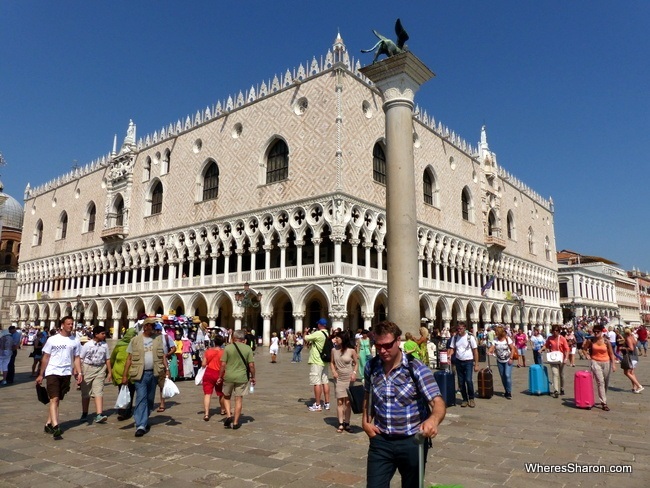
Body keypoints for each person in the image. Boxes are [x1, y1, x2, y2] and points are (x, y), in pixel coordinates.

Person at [362, 321, 446, 488]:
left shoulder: (416, 367)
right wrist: (365, 422)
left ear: (398, 340)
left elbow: (438, 402)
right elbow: (368, 395)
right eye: (378, 346)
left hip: (412, 441)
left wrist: (433, 420)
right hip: (381, 441)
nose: (382, 351)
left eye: (387, 345)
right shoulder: (371, 366)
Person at [35, 316, 83, 438]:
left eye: (72, 324)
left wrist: (79, 372)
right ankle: (56, 426)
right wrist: (41, 374)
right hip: (52, 371)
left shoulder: (75, 340)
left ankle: (48, 423)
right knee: (54, 398)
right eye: (68, 324)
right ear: (62, 325)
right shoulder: (52, 339)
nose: (71, 326)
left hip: (66, 372)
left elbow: (76, 358)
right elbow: (45, 357)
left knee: (57, 400)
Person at [121, 317, 170, 437]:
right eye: (152, 326)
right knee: (141, 399)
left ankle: (144, 418)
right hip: (140, 373)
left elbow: (162, 355)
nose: (154, 329)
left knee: (149, 399)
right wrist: (124, 375)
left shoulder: (158, 339)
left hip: (154, 373)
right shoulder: (135, 340)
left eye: (154, 327)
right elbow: (129, 358)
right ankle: (140, 425)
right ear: (146, 326)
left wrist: (167, 370)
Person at [217, 329, 256, 430]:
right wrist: (253, 377)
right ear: (243, 339)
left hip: (229, 376)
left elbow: (223, 365)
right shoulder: (248, 349)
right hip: (242, 377)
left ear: (234, 338)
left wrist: (220, 376)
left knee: (226, 397)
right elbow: (251, 365)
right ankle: (235, 422)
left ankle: (229, 416)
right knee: (238, 399)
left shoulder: (228, 348)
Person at [79, 326, 112, 423]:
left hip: (100, 368)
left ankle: (99, 414)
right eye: (102, 333)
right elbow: (81, 358)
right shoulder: (87, 345)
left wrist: (109, 372)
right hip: (88, 368)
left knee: (98, 391)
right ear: (96, 334)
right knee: (86, 393)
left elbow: (107, 359)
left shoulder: (104, 345)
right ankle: (85, 413)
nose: (104, 335)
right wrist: (79, 372)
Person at [330, 331, 358, 433]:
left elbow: (356, 363)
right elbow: (332, 363)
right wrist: (333, 371)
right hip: (338, 378)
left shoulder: (351, 351)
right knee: (340, 401)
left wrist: (354, 373)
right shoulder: (333, 350)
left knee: (347, 402)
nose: (335, 339)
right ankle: (341, 423)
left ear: (343, 339)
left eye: (338, 338)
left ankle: (347, 422)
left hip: (349, 377)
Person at [583, 324, 616, 411]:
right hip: (595, 362)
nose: (596, 333)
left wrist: (613, 364)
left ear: (602, 332)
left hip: (606, 362)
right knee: (600, 382)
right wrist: (587, 355)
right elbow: (584, 348)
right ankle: (604, 402)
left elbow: (611, 353)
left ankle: (603, 397)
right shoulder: (591, 340)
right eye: (595, 332)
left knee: (605, 382)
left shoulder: (606, 341)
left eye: (598, 331)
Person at [448, 322, 479, 408]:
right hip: (459, 361)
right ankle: (464, 399)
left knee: (468, 380)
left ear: (465, 328)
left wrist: (476, 364)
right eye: (458, 329)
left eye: (461, 329)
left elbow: (475, 351)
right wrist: (449, 355)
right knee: (461, 382)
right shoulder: (455, 338)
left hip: (468, 361)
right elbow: (453, 348)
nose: (459, 331)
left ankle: (471, 398)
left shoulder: (470, 338)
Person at [110, 328, 137, 420]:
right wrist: (109, 371)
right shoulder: (119, 345)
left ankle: (126, 411)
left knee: (130, 391)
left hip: (132, 373)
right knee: (122, 391)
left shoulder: (136, 345)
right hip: (119, 374)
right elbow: (112, 358)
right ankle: (122, 410)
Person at [305, 318, 331, 412]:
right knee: (325, 381)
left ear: (320, 325)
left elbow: (306, 338)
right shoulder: (328, 334)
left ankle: (317, 404)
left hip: (317, 360)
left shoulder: (318, 333)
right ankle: (327, 403)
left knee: (317, 382)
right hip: (325, 361)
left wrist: (306, 332)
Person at [201, 336, 226, 420]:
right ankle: (222, 409)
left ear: (214, 342)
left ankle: (206, 414)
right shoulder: (224, 352)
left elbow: (203, 364)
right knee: (221, 393)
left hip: (209, 373)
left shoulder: (208, 351)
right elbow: (225, 365)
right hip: (220, 374)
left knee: (207, 394)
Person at [488, 326, 516, 399]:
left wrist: (511, 358)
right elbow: (492, 347)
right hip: (499, 360)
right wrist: (489, 351)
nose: (495, 333)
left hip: (508, 359)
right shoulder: (495, 340)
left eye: (496, 331)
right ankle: (506, 390)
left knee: (507, 375)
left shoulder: (507, 339)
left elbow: (512, 349)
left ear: (500, 332)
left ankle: (509, 392)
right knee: (503, 376)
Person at [542, 326, 569, 398]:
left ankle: (562, 388)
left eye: (556, 330)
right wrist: (541, 349)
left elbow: (567, 349)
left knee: (561, 375)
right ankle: (556, 390)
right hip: (553, 358)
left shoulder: (562, 339)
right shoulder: (550, 338)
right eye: (554, 330)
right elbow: (546, 345)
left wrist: (566, 358)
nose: (555, 332)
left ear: (559, 331)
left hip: (561, 359)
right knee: (555, 373)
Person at [156, 323, 176, 412]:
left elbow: (174, 348)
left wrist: (167, 354)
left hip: (163, 363)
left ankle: (162, 403)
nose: (156, 332)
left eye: (158, 330)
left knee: (162, 385)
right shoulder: (150, 338)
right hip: (153, 363)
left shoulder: (166, 337)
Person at [621, 328, 643, 393]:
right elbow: (635, 344)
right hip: (635, 357)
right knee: (631, 373)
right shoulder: (632, 337)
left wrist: (623, 348)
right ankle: (634, 388)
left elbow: (631, 348)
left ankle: (639, 385)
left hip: (631, 357)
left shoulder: (628, 338)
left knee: (626, 372)